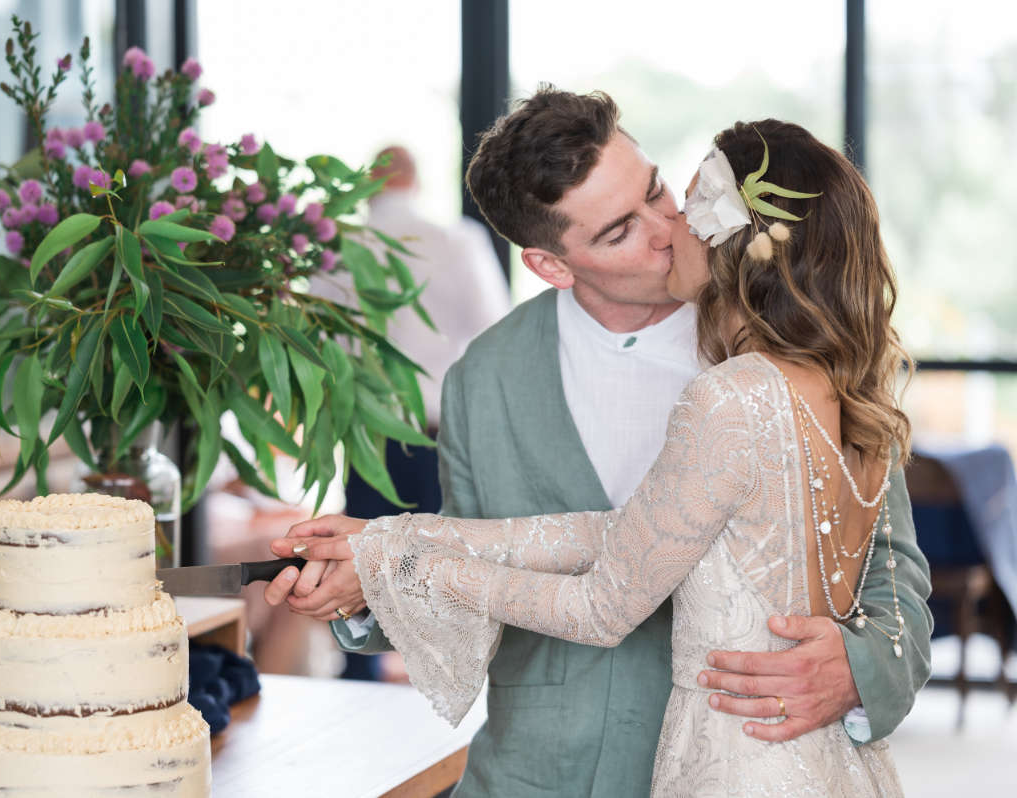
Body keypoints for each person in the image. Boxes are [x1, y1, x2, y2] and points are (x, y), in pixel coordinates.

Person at [267, 91, 932, 796]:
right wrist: (367, 584)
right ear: (552, 265)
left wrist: (862, 669)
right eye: (619, 232)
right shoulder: (482, 379)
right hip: (535, 777)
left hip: (738, 759)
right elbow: (525, 561)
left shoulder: (798, 347)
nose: (666, 230)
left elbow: (884, 562)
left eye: (658, 193)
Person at [307, 145, 510, 679]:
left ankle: (359, 676)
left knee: (362, 553)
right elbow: (494, 330)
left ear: (369, 182)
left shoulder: (336, 244)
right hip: (436, 424)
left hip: (366, 425)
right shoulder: (454, 240)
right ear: (415, 180)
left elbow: (316, 335)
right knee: (434, 560)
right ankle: (440, 679)